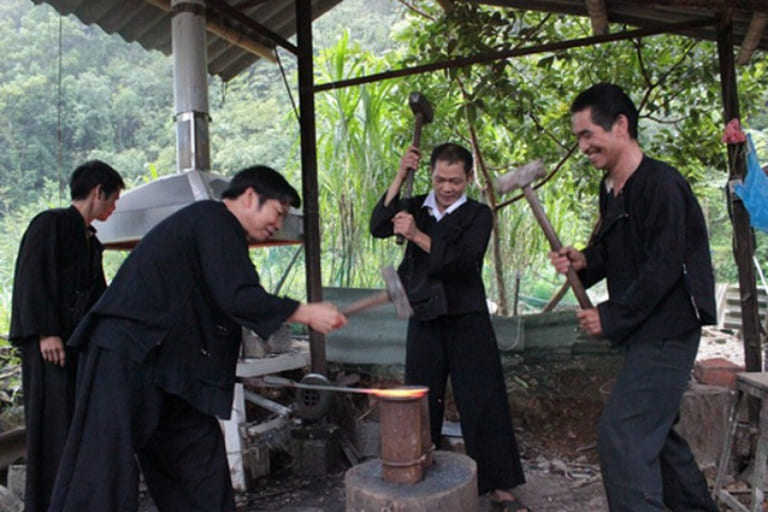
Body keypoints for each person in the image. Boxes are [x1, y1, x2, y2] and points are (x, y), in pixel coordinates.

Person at [47, 165, 347, 511]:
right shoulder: (213, 219)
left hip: (173, 372)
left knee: (197, 468)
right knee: (102, 472)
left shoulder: (221, 235)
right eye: (277, 213)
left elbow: (227, 296)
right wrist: (305, 311)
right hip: (125, 355)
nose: (278, 225)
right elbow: (237, 295)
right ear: (250, 197)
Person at [549, 83, 719, 511]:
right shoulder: (611, 188)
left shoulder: (662, 186)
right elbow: (616, 252)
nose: (583, 146)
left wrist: (611, 315)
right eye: (578, 138)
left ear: (620, 125)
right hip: (644, 329)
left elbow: (662, 268)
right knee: (657, 438)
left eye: (588, 135)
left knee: (622, 435)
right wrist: (585, 260)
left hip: (669, 330)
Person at [370, 143, 528, 511]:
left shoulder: (478, 215)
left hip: (467, 317)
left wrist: (417, 237)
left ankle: (499, 486)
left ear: (468, 178)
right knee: (422, 400)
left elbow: (463, 261)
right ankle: (422, 473)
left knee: (483, 398)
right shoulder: (415, 205)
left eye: (455, 181)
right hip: (424, 315)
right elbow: (378, 224)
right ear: (431, 175)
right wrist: (399, 174)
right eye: (440, 179)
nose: (447, 188)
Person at [8, 160, 124, 512]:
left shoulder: (91, 240)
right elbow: (31, 278)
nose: (113, 208)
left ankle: (74, 501)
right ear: (96, 192)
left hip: (75, 347)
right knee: (51, 428)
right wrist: (45, 332)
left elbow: (97, 298)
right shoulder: (51, 223)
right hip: (48, 346)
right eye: (113, 199)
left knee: (75, 427)